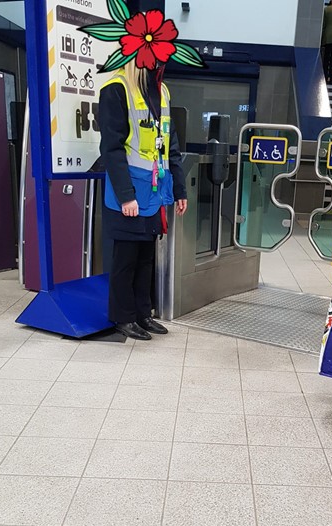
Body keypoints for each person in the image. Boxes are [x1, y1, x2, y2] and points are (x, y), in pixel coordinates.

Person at [98, 60, 187, 341]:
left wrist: (180, 189)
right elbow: (111, 148)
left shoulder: (162, 91)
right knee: (126, 258)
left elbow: (170, 144)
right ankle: (123, 318)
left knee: (146, 257)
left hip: (154, 189)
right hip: (129, 189)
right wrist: (126, 196)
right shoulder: (117, 88)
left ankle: (142, 313)